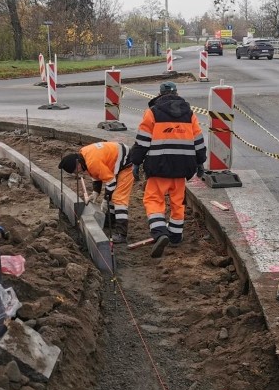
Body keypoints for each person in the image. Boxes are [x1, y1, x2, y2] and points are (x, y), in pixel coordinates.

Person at [129, 82, 206, 258]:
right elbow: (198, 141)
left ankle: (159, 232)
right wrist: (200, 162)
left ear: (160, 94)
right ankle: (176, 236)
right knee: (178, 202)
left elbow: (142, 141)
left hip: (159, 166)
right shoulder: (189, 114)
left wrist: (135, 162)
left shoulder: (152, 113)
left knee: (153, 199)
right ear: (177, 93)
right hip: (182, 168)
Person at [58, 141, 134, 244]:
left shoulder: (92, 162)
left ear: (78, 164)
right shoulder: (84, 155)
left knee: (118, 198)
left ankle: (121, 234)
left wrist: (104, 200)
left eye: (76, 171)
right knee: (112, 195)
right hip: (115, 162)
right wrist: (95, 193)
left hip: (126, 162)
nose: (77, 173)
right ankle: (111, 220)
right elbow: (96, 175)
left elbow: (110, 183)